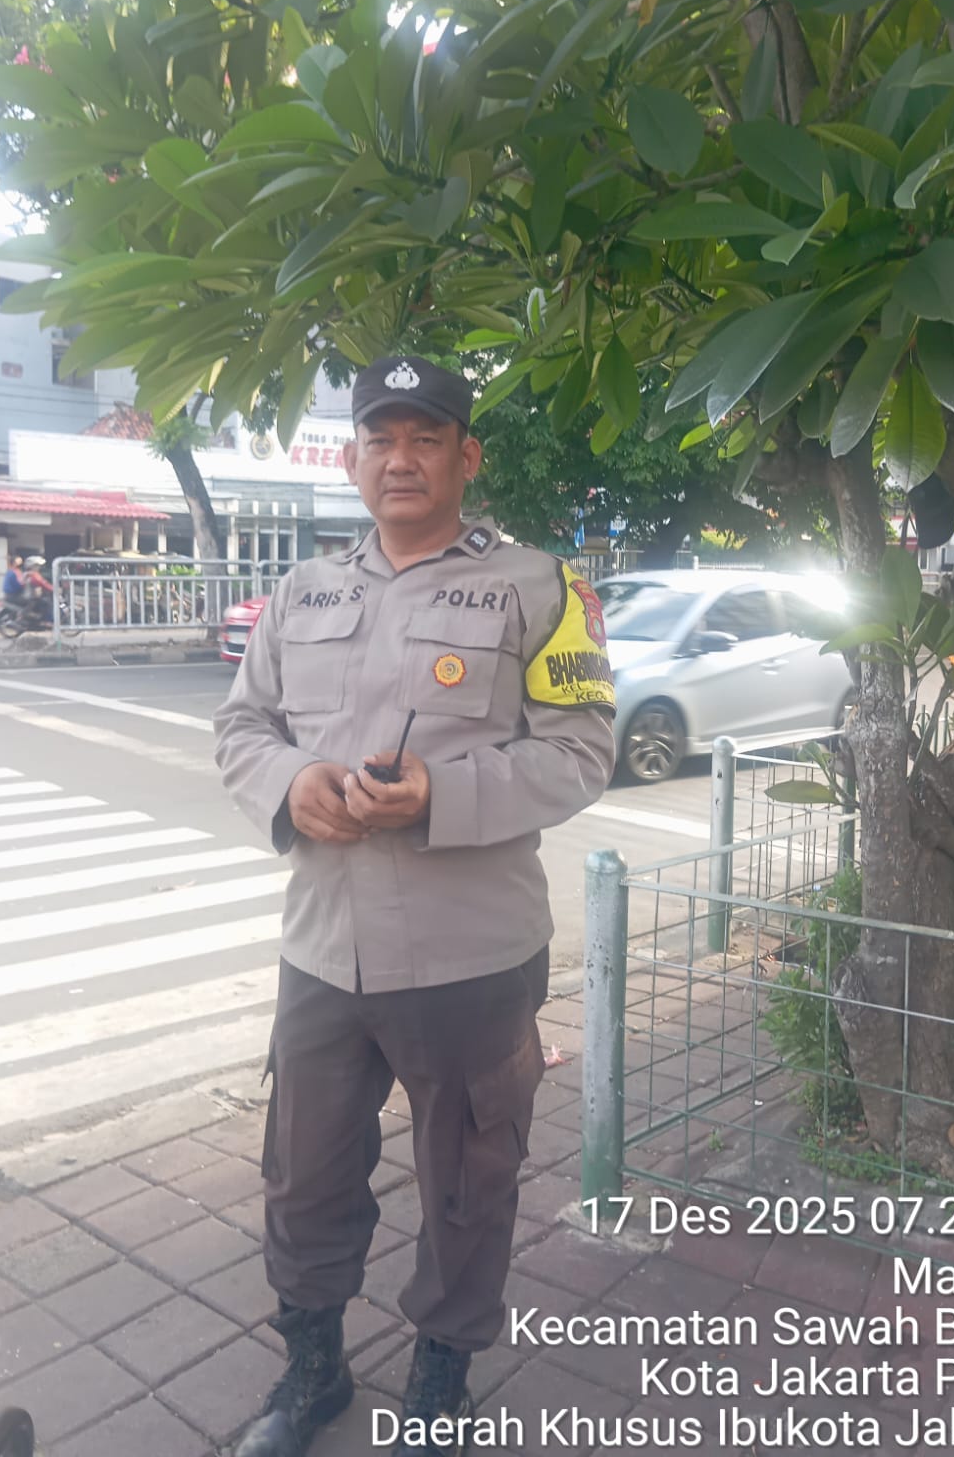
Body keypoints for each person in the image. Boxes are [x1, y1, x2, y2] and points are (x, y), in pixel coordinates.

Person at [213, 356, 616, 1457]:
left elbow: (583, 753)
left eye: (426, 437)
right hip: (323, 950)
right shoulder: (303, 591)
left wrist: (443, 792)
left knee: (468, 1182)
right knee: (302, 1174)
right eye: (380, 439)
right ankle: (313, 1371)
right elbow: (242, 726)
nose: (401, 458)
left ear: (465, 456)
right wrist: (289, 785)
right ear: (352, 460)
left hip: (470, 956)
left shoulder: (541, 588)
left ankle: (440, 1382)